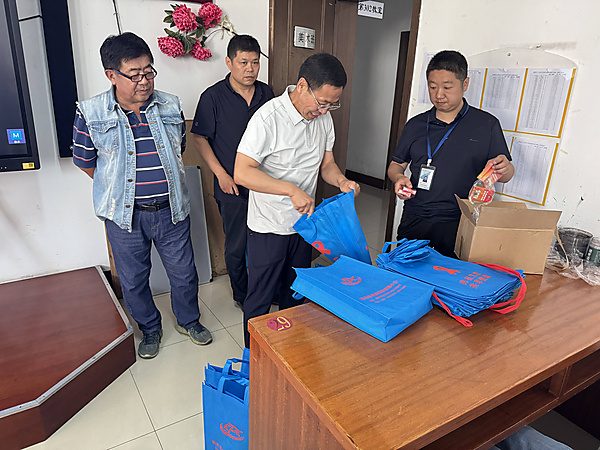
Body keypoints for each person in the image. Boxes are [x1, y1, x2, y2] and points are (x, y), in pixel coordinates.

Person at [72, 32, 212, 359]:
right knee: (134, 280)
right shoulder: (91, 112)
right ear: (111, 75)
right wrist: (122, 189)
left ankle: (189, 320)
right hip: (125, 217)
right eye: (134, 75)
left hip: (171, 210)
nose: (144, 81)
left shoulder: (170, 104)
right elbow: (85, 161)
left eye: (149, 71)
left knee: (184, 273)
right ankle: (150, 328)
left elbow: (177, 149)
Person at [234, 53, 360, 348]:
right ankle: (254, 357)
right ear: (302, 86)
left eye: (332, 104)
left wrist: (341, 181)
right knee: (261, 298)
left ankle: (289, 353)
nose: (325, 110)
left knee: (296, 292)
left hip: (304, 225)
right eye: (322, 102)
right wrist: (290, 190)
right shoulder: (268, 118)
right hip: (269, 226)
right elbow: (242, 172)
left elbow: (327, 165)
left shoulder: (324, 119)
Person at [387, 50, 514, 258]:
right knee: (406, 271)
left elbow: (506, 175)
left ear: (465, 84)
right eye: (432, 87)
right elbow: (396, 165)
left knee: (451, 275)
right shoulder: (415, 125)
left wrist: (505, 168)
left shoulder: (486, 124)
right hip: (416, 217)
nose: (439, 95)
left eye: (447, 87)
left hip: (459, 221)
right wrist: (399, 178)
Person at [191, 35, 274, 309]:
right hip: (231, 186)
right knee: (237, 245)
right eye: (243, 62)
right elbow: (200, 139)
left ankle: (265, 291)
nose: (250, 69)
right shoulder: (212, 97)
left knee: (266, 242)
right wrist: (221, 176)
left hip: (264, 183)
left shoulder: (267, 94)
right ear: (229, 62)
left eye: (255, 62)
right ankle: (242, 295)